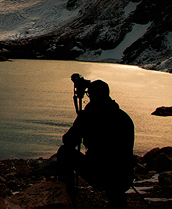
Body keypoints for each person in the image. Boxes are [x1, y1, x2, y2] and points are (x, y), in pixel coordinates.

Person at [56, 79, 135, 209]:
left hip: (100, 174)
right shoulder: (124, 117)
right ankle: (117, 199)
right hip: (124, 177)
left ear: (92, 96)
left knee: (64, 152)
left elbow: (69, 141)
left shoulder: (89, 116)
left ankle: (68, 196)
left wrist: (81, 120)